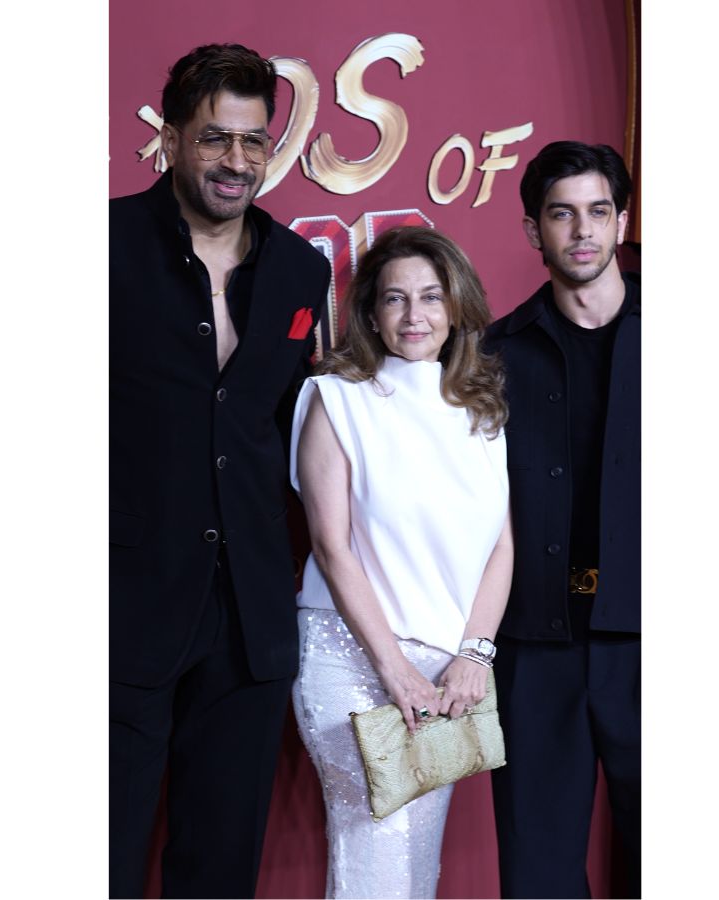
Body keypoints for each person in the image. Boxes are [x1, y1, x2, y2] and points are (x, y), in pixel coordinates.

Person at [109, 43, 331, 899]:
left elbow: (290, 433)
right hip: (120, 610)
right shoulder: (102, 246)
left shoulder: (302, 271)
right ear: (170, 140)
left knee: (220, 872)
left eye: (253, 140)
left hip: (247, 620)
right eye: (214, 138)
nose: (236, 160)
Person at [289, 226, 514, 899]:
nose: (414, 315)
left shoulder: (480, 412)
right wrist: (392, 668)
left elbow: (501, 546)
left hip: (447, 672)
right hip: (352, 660)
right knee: (377, 859)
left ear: (456, 308)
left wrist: (475, 654)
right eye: (395, 298)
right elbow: (331, 547)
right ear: (371, 312)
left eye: (431, 297)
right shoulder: (337, 399)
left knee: (416, 863)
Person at [484, 141, 641, 898]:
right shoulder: (493, 356)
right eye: (562, 214)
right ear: (533, 230)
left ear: (622, 222)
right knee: (538, 874)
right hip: (536, 643)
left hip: (652, 636)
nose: (582, 231)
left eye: (598, 212)